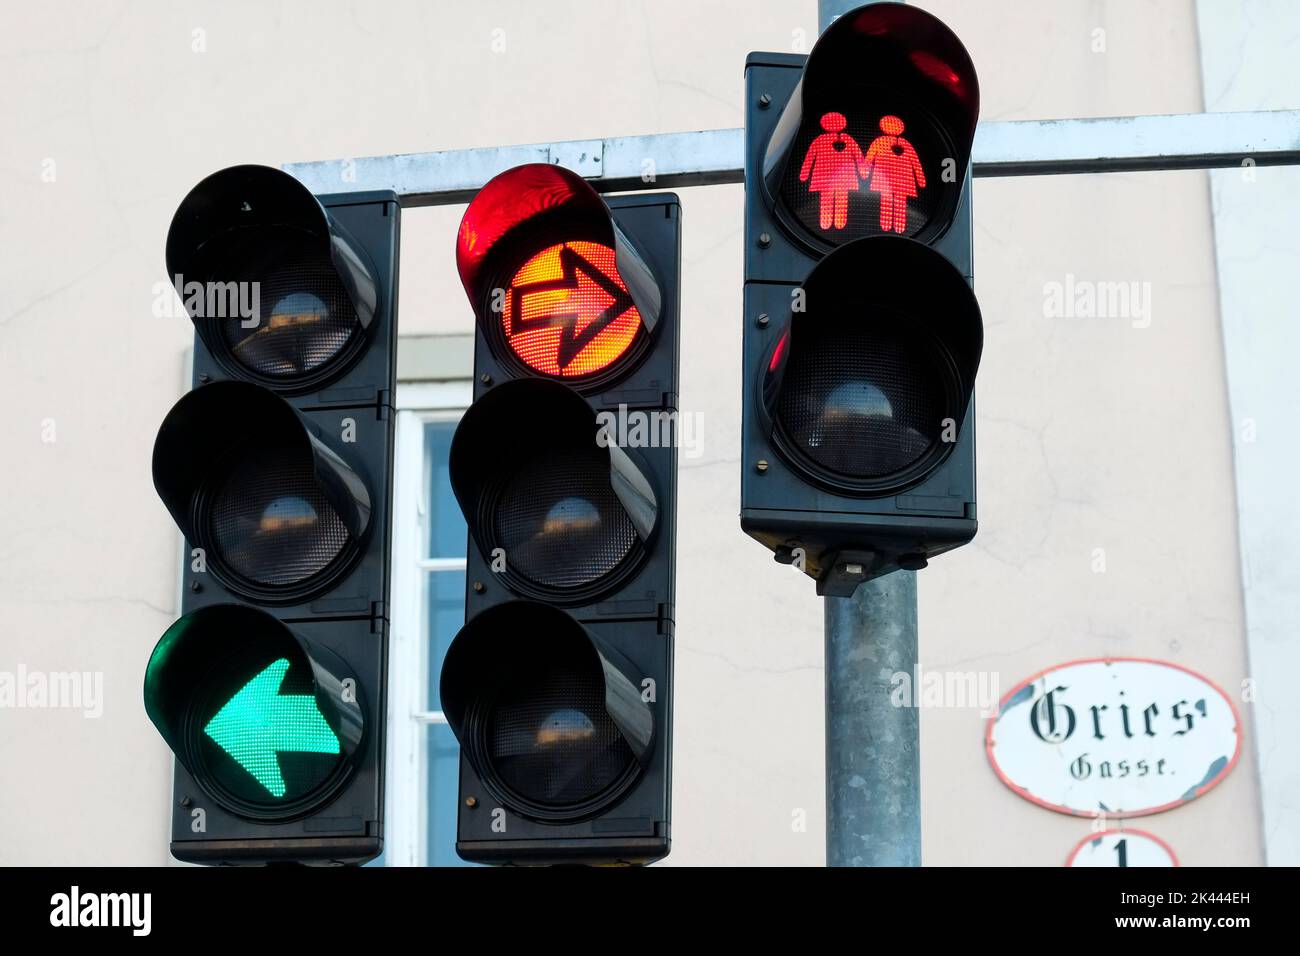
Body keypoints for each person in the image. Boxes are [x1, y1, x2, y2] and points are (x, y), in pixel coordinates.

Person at [798, 112, 865, 231]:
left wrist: (805, 173)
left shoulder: (822, 139)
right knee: (836, 199)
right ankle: (834, 222)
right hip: (840, 177)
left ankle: (829, 222)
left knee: (831, 200)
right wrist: (863, 171)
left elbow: (809, 157)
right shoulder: (845, 139)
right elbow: (858, 156)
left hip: (827, 177)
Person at [861, 114, 926, 234]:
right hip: (902, 181)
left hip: (886, 180)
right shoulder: (904, 144)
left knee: (890, 202)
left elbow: (869, 157)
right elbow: (915, 162)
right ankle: (897, 227)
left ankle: (889, 226)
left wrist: (864, 171)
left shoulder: (880, 142)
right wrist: (920, 180)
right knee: (897, 203)